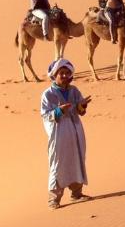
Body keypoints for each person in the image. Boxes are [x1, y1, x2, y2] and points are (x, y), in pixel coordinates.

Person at [40, 58, 93, 210]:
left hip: (75, 132)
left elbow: (79, 111)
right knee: (58, 164)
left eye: (67, 73)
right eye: (61, 73)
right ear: (54, 75)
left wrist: (82, 106)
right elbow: (45, 115)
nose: (64, 76)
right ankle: (54, 199)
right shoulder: (48, 94)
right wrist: (59, 111)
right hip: (59, 134)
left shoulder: (74, 91)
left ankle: (76, 193)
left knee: (77, 160)